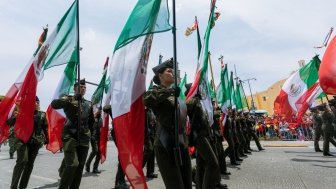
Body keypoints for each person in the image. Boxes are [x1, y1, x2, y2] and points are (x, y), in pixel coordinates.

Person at [143, 58, 192, 189]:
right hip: (165, 144)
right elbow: (147, 99)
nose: (173, 73)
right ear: (160, 75)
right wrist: (169, 91)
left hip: (181, 144)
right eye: (169, 71)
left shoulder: (177, 95)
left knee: (187, 184)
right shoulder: (157, 91)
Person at [51, 79, 94, 189]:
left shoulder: (89, 104)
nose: (83, 88)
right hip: (70, 135)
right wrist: (73, 98)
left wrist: (91, 135)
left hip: (84, 137)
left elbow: (91, 122)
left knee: (79, 168)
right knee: (72, 164)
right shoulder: (69, 99)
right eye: (80, 86)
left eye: (84, 87)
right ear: (75, 89)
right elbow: (54, 104)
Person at [9, 96, 48, 189]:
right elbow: (9, 123)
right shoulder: (22, 113)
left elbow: (45, 127)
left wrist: (48, 139)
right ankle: (13, 187)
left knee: (29, 165)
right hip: (22, 141)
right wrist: (14, 117)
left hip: (35, 142)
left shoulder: (42, 115)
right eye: (36, 102)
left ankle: (23, 186)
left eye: (38, 102)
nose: (38, 104)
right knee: (22, 161)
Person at [103, 105, 130, 189]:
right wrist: (115, 106)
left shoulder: (128, 105)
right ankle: (120, 182)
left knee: (124, 157)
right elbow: (105, 108)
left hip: (126, 132)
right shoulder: (116, 106)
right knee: (124, 156)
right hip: (118, 132)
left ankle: (119, 182)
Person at [85, 107, 103, 174]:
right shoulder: (92, 119)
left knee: (99, 153)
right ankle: (87, 164)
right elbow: (88, 127)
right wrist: (90, 135)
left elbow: (102, 128)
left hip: (99, 138)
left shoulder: (101, 119)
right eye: (99, 110)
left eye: (100, 111)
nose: (100, 112)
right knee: (95, 151)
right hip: (93, 137)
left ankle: (95, 168)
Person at [143, 107, 158, 179]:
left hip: (153, 132)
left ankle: (150, 172)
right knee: (149, 149)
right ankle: (138, 168)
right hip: (146, 133)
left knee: (153, 152)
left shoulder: (152, 109)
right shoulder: (145, 109)